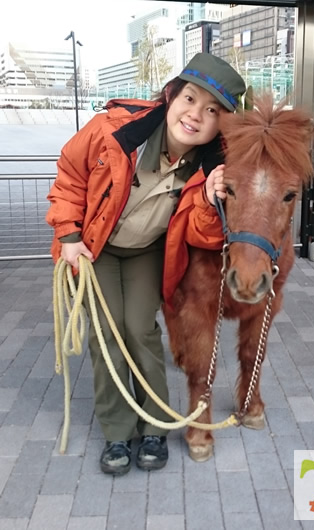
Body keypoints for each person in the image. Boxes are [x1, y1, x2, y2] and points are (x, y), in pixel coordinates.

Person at [46, 53, 246, 476]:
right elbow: (69, 173)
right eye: (190, 99)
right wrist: (67, 235)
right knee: (106, 334)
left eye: (212, 111)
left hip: (146, 252)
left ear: (221, 124)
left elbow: (203, 234)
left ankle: (153, 424)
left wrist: (212, 201)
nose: (195, 115)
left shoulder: (211, 169)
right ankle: (119, 432)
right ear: (171, 95)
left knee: (138, 329)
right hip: (94, 247)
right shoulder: (113, 131)